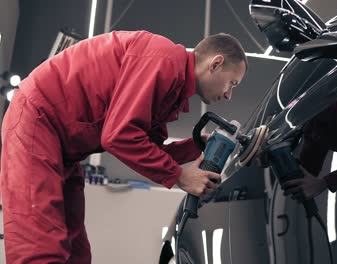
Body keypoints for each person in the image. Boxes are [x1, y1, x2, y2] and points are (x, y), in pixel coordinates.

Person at [0, 30, 247, 263]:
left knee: (75, 249)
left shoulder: (172, 87)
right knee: (40, 245)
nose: (229, 95)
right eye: (233, 84)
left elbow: (145, 147)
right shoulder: (164, 60)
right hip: (38, 120)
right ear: (215, 64)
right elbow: (117, 136)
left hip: (65, 147)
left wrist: (195, 146)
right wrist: (180, 176)